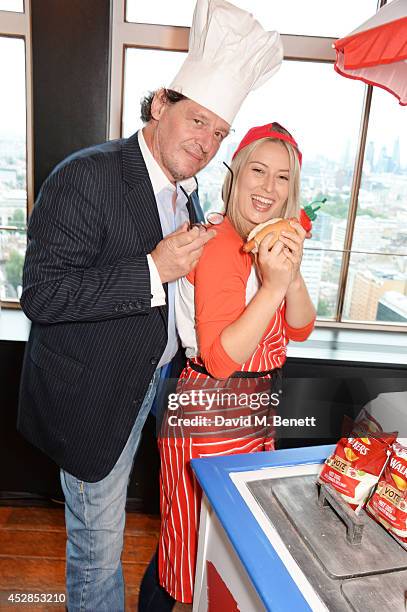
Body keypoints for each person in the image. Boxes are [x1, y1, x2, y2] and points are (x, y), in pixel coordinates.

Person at [17, 1, 283, 610]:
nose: (207, 142)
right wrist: (152, 270)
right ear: (160, 105)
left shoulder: (185, 192)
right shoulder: (88, 175)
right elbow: (43, 296)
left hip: (155, 388)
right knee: (97, 549)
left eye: (219, 133)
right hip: (94, 399)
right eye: (197, 122)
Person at [157, 122, 317, 608]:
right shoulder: (221, 242)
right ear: (235, 175)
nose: (268, 187)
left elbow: (302, 325)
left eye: (283, 177)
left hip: (252, 409)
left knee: (226, 551)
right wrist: (272, 286)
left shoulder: (270, 239)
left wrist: (289, 274)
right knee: (194, 556)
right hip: (211, 412)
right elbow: (222, 359)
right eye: (258, 171)